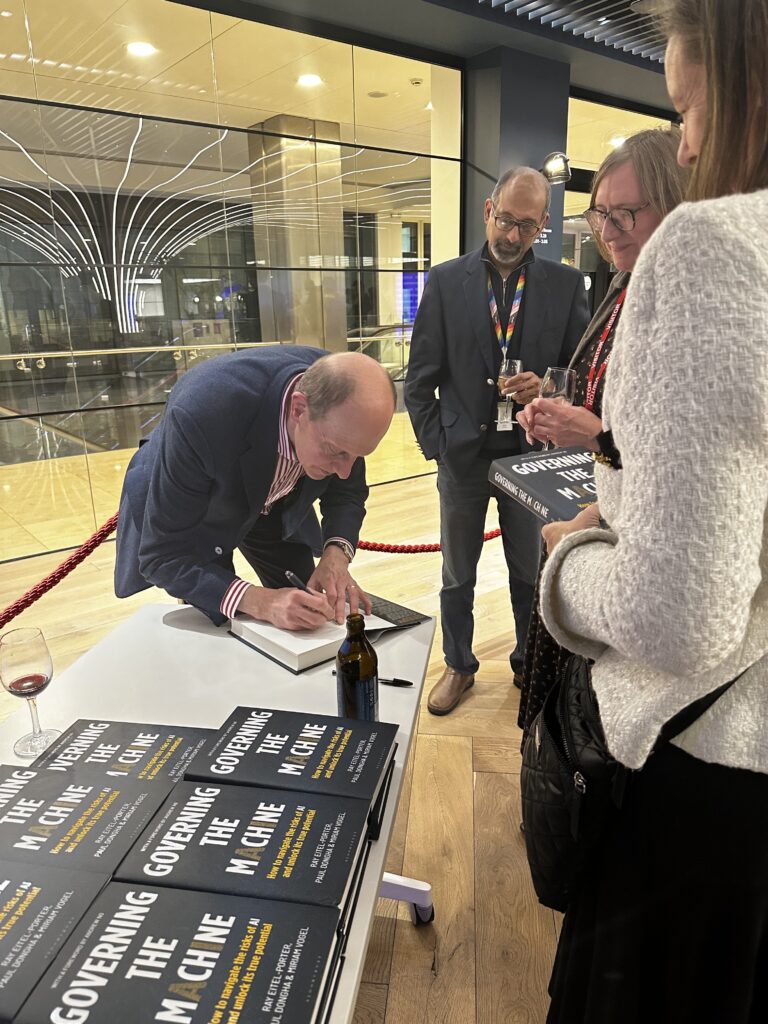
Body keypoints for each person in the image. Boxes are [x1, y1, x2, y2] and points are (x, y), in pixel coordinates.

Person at [537, 1, 768, 1020]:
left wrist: (570, 561)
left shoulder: (712, 247)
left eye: (689, 108)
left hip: (709, 775)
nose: (690, 142)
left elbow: (678, 617)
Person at [516, 126, 689, 737]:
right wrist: (561, 412)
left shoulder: (690, 306)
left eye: (626, 214)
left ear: (677, 204)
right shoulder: (623, 284)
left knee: (599, 731)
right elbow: (611, 414)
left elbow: (683, 472)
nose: (609, 231)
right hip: (608, 512)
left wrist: (594, 440)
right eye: (600, 215)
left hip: (644, 556)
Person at [405, 167, 590, 715]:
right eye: (506, 219)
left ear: (544, 224)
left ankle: (528, 664)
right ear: (489, 210)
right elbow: (419, 379)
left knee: (529, 574)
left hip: (530, 458)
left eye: (526, 226)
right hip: (462, 458)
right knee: (456, 575)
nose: (512, 235)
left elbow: (579, 374)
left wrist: (547, 385)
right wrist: (438, 445)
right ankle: (459, 665)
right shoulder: (445, 282)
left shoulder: (565, 285)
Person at [115, 346, 396, 630]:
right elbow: (164, 557)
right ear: (299, 409)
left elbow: (347, 492)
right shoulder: (205, 412)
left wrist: (336, 555)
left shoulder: (345, 402)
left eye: (358, 456)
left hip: (276, 499)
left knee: (305, 607)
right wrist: (261, 602)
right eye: (335, 451)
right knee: (219, 618)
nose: (345, 471)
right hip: (202, 498)